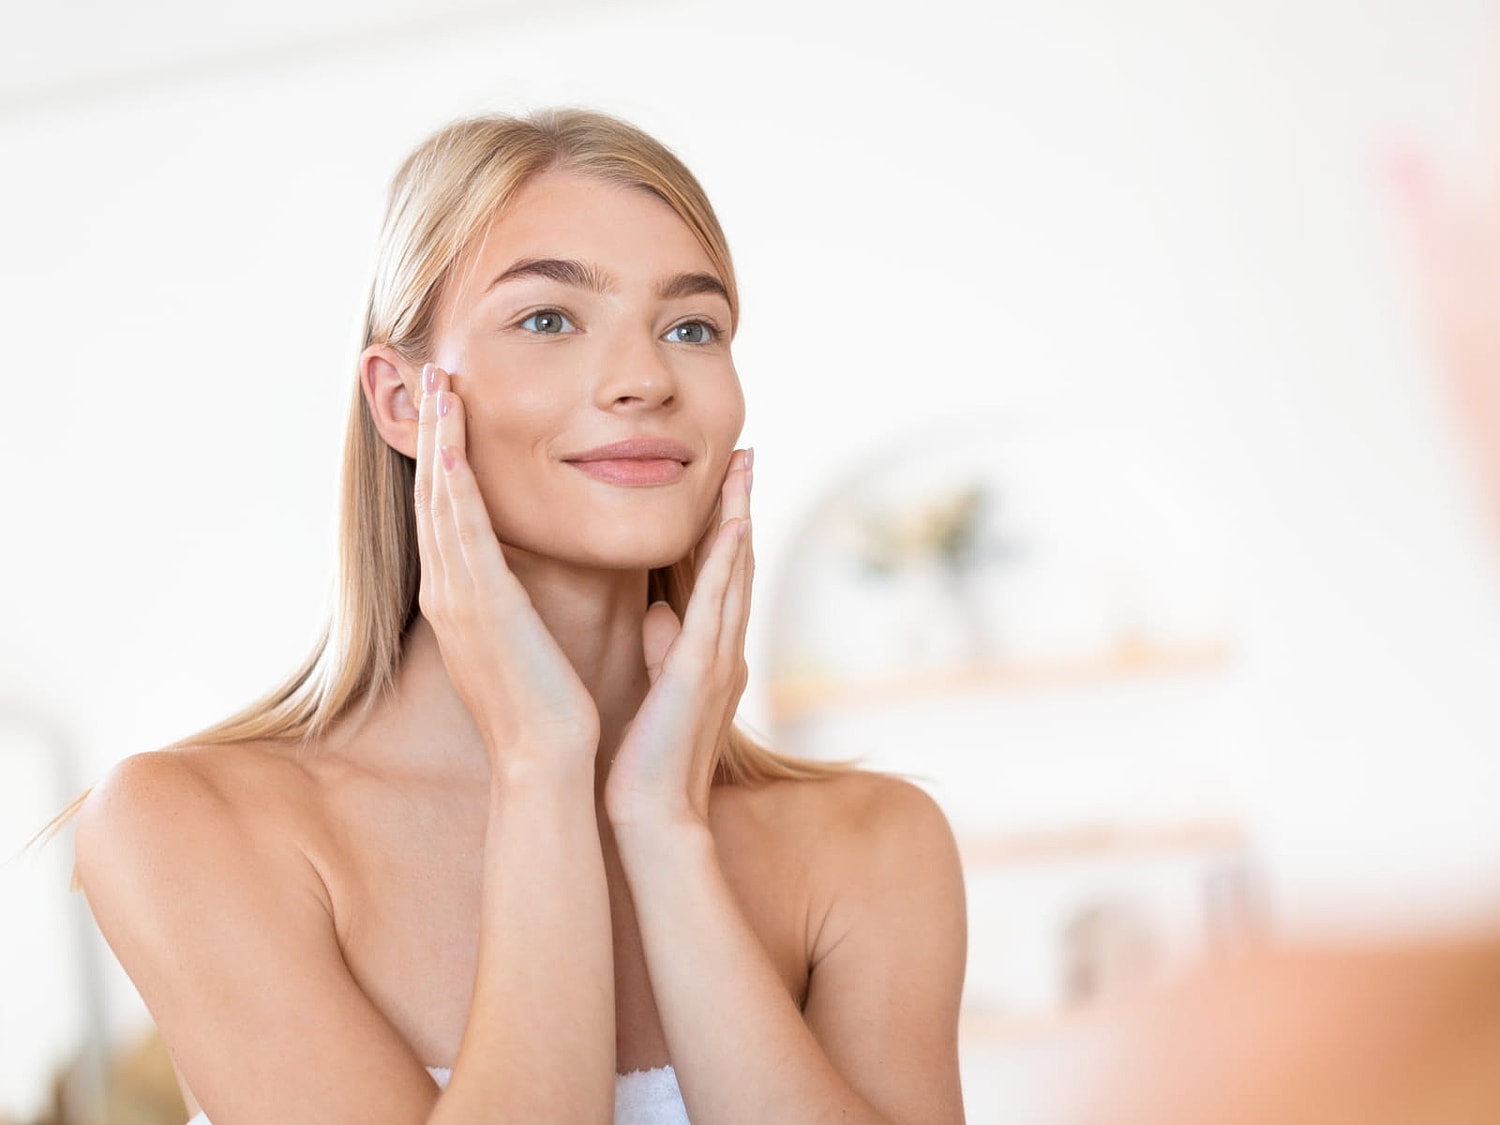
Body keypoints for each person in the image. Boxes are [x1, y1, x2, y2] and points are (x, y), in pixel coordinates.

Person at [70, 109, 968, 1124]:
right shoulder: (191, 825)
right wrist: (540, 760)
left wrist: (664, 831)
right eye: (547, 319)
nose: (645, 380)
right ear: (403, 401)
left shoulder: (873, 845)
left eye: (692, 327)